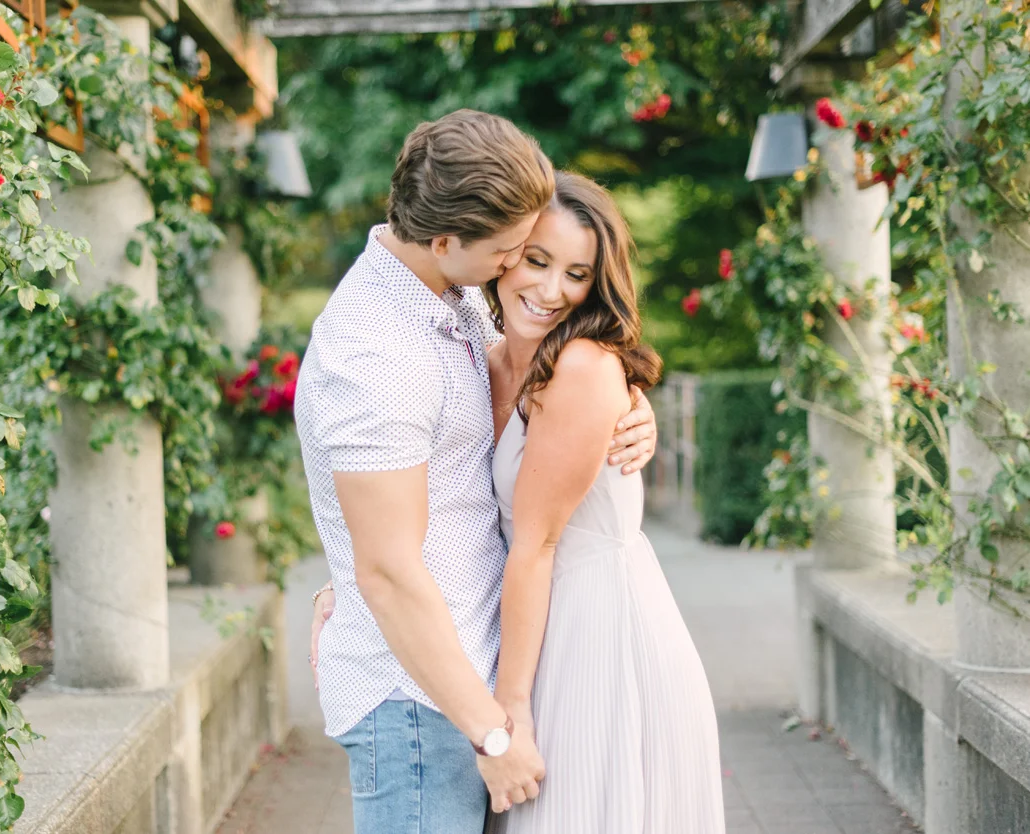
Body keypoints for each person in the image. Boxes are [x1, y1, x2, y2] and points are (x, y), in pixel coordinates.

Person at [294, 110, 659, 834]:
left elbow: (525, 398)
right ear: (445, 240)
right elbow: (388, 571)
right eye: (510, 251)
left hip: (463, 679)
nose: (518, 264)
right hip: (420, 703)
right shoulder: (376, 354)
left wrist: (624, 404)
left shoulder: (450, 294)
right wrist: (491, 734)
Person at [482, 171, 723, 831]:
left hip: (597, 637)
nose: (550, 290)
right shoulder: (486, 358)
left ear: (597, 284)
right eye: (537, 260)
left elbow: (536, 544)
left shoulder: (582, 366)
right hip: (536, 624)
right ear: (504, 252)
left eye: (577, 274)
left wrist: (509, 714)